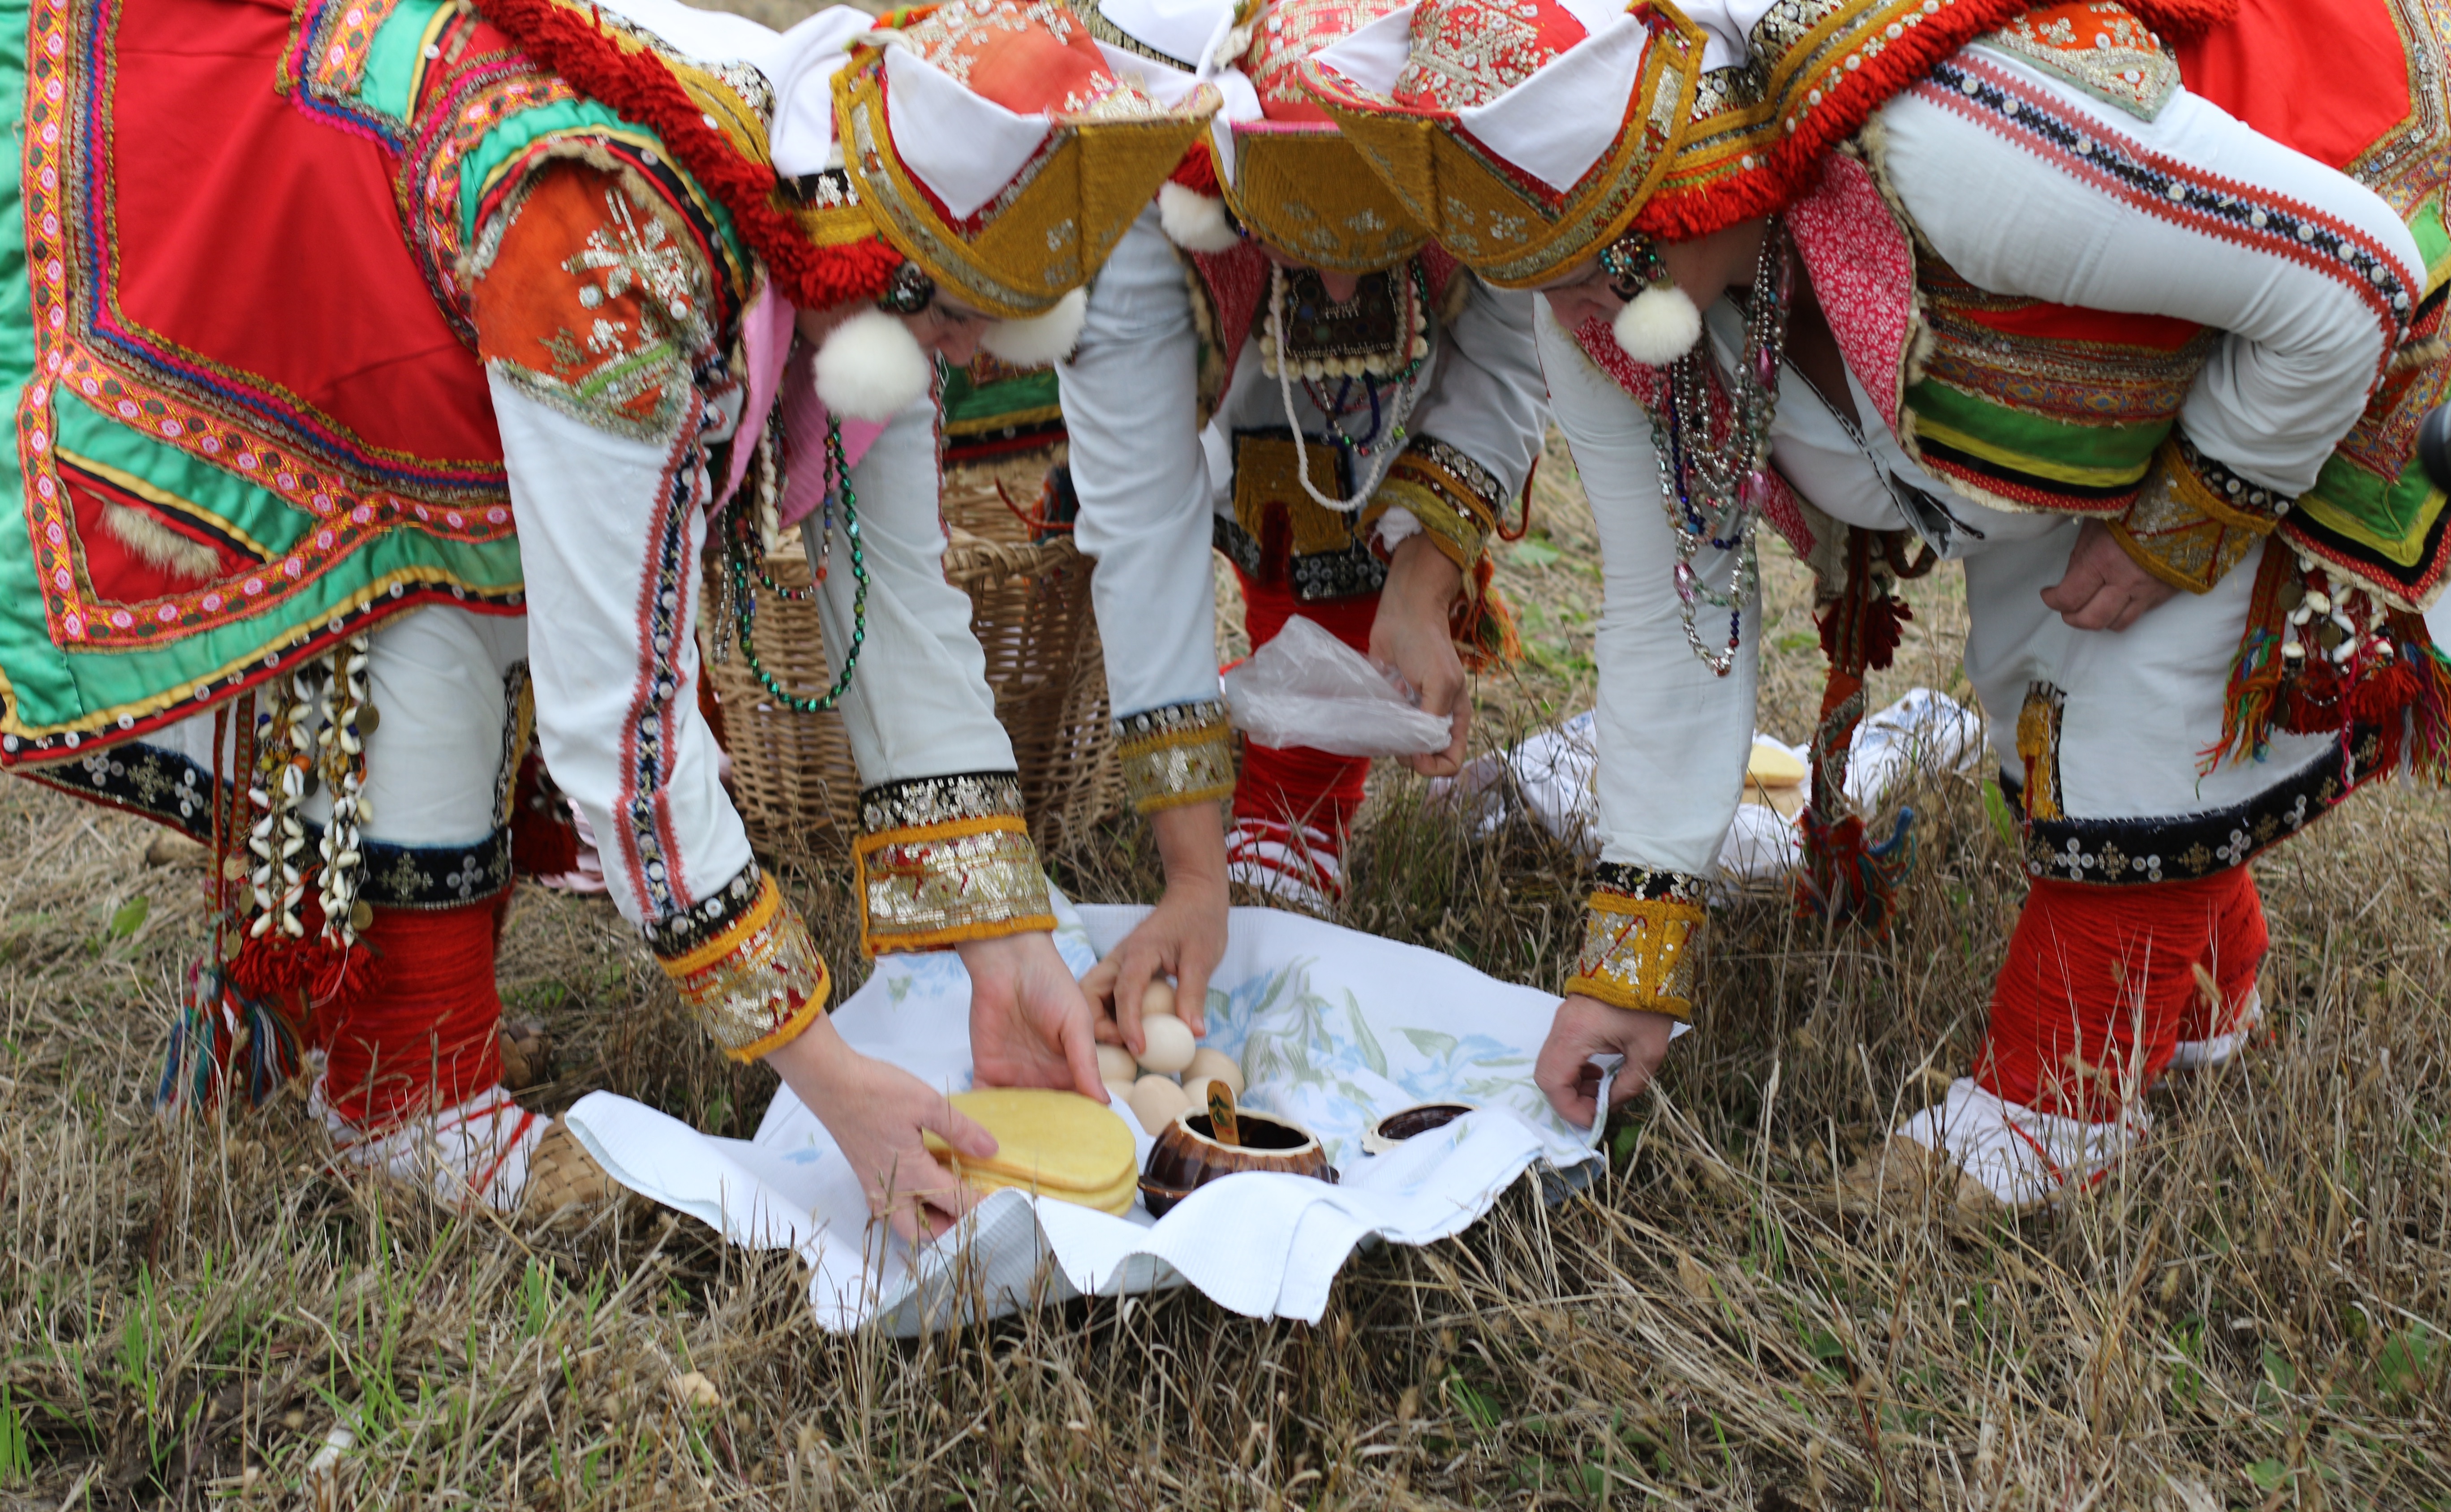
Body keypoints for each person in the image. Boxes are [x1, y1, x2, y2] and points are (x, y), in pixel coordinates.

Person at [0, 0, 1213, 1235]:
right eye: (954, 329)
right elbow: (617, 731)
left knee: (493, 597)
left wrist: (1003, 952)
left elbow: (899, 599)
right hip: (294, 261)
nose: (954, 362)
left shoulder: (859, 228)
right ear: (880, 266)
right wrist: (835, 1085)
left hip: (438, 245)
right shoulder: (617, 261)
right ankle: (399, 1101)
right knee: (427, 610)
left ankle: (364, 1015)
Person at [1312, 0, 2445, 1208]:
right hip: (2117, 376)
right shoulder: (1600, 321)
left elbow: (2351, 271)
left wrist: (2192, 516)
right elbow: (1673, 614)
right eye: (1539, 283)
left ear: (1698, 176)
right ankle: (2206, 991)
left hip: (2337, 304)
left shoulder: (1956, 154)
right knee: (2036, 679)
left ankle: (2057, 1103)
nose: (1590, 320)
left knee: (2124, 695)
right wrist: (1627, 965)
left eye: (1612, 263)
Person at [1054, 0, 1549, 1039]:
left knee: (1356, 442)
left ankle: (1297, 794)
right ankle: (1251, 797)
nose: (1334, 287)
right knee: (1269, 452)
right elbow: (1142, 518)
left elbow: (1509, 352)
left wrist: (1424, 584)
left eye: (1361, 258)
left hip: (1435, 254)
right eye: (1307, 252)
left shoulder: (1499, 121)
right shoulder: (1149, 184)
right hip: (1222, 282)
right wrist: (1193, 875)